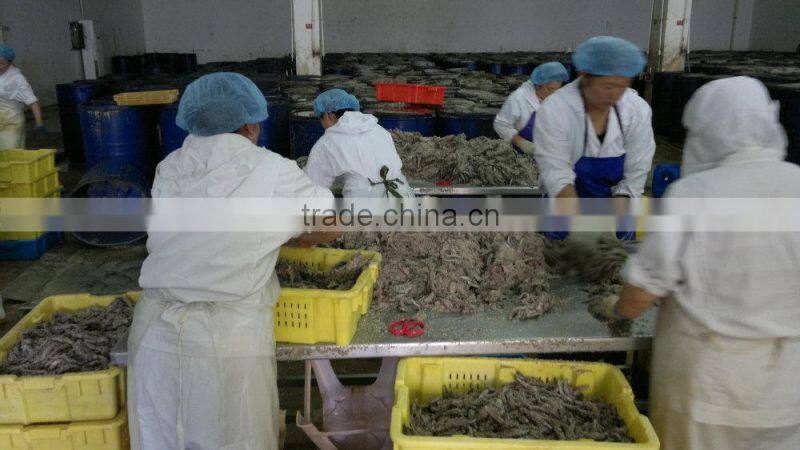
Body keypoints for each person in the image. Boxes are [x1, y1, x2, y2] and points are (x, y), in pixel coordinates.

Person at [128, 72, 340, 450]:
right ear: (251, 124)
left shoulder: (170, 167)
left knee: (161, 436)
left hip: (154, 331)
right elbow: (330, 222)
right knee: (233, 437)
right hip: (226, 336)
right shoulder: (271, 170)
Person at [600, 77, 800, 450]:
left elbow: (642, 292)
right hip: (785, 392)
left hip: (710, 391)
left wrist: (614, 307)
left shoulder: (693, 195)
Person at [533, 36, 655, 240]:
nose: (616, 93)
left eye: (623, 85)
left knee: (612, 265)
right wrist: (581, 228)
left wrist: (611, 225)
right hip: (564, 209)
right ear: (584, 75)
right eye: (608, 86)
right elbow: (556, 172)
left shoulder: (636, 110)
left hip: (616, 211)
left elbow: (636, 170)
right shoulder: (555, 110)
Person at [304, 89, 415, 199]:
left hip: (365, 202)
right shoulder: (378, 129)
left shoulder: (327, 142)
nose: (322, 125)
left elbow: (313, 188)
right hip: (403, 195)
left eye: (321, 119)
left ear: (330, 115)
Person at [493, 61, 569, 154]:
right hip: (522, 154)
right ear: (538, 85)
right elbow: (501, 124)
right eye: (550, 89)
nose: (553, 94)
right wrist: (522, 143)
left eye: (557, 89)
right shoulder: (519, 98)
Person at [0, 45, 44, 149]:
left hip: (11, 123)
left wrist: (39, 123)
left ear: (10, 62)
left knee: (10, 154)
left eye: (2, 63)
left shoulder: (17, 78)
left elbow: (32, 102)